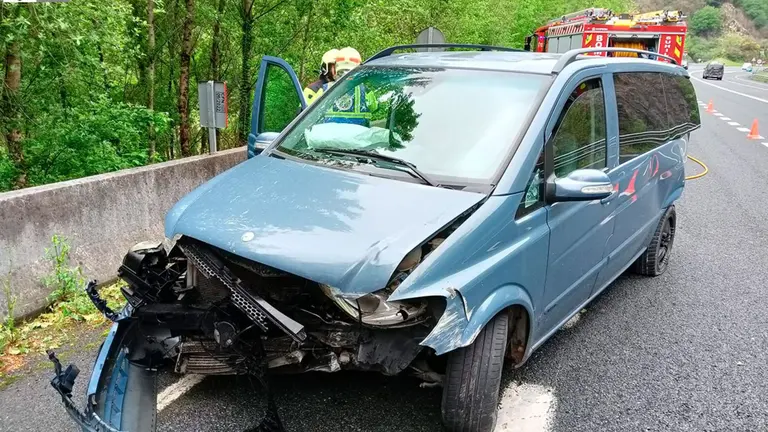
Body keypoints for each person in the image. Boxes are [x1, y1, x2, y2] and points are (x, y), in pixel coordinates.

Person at [323, 47, 379, 126]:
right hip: (358, 137)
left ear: (336, 68)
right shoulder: (366, 90)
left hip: (329, 137)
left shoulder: (324, 89)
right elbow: (374, 107)